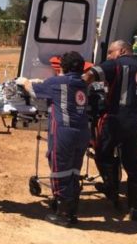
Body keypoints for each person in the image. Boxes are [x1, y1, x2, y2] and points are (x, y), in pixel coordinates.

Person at [17, 51, 91, 227]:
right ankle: (71, 209)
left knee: (59, 170)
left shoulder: (57, 82)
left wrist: (24, 81)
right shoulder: (83, 83)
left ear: (62, 67)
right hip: (82, 133)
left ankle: (63, 214)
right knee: (74, 170)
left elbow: (33, 90)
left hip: (63, 134)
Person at [82, 40, 137, 220]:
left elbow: (91, 74)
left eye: (111, 52)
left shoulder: (117, 63)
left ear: (121, 50)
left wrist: (77, 89)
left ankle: (111, 189)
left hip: (114, 118)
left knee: (102, 152)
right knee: (133, 161)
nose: (108, 56)